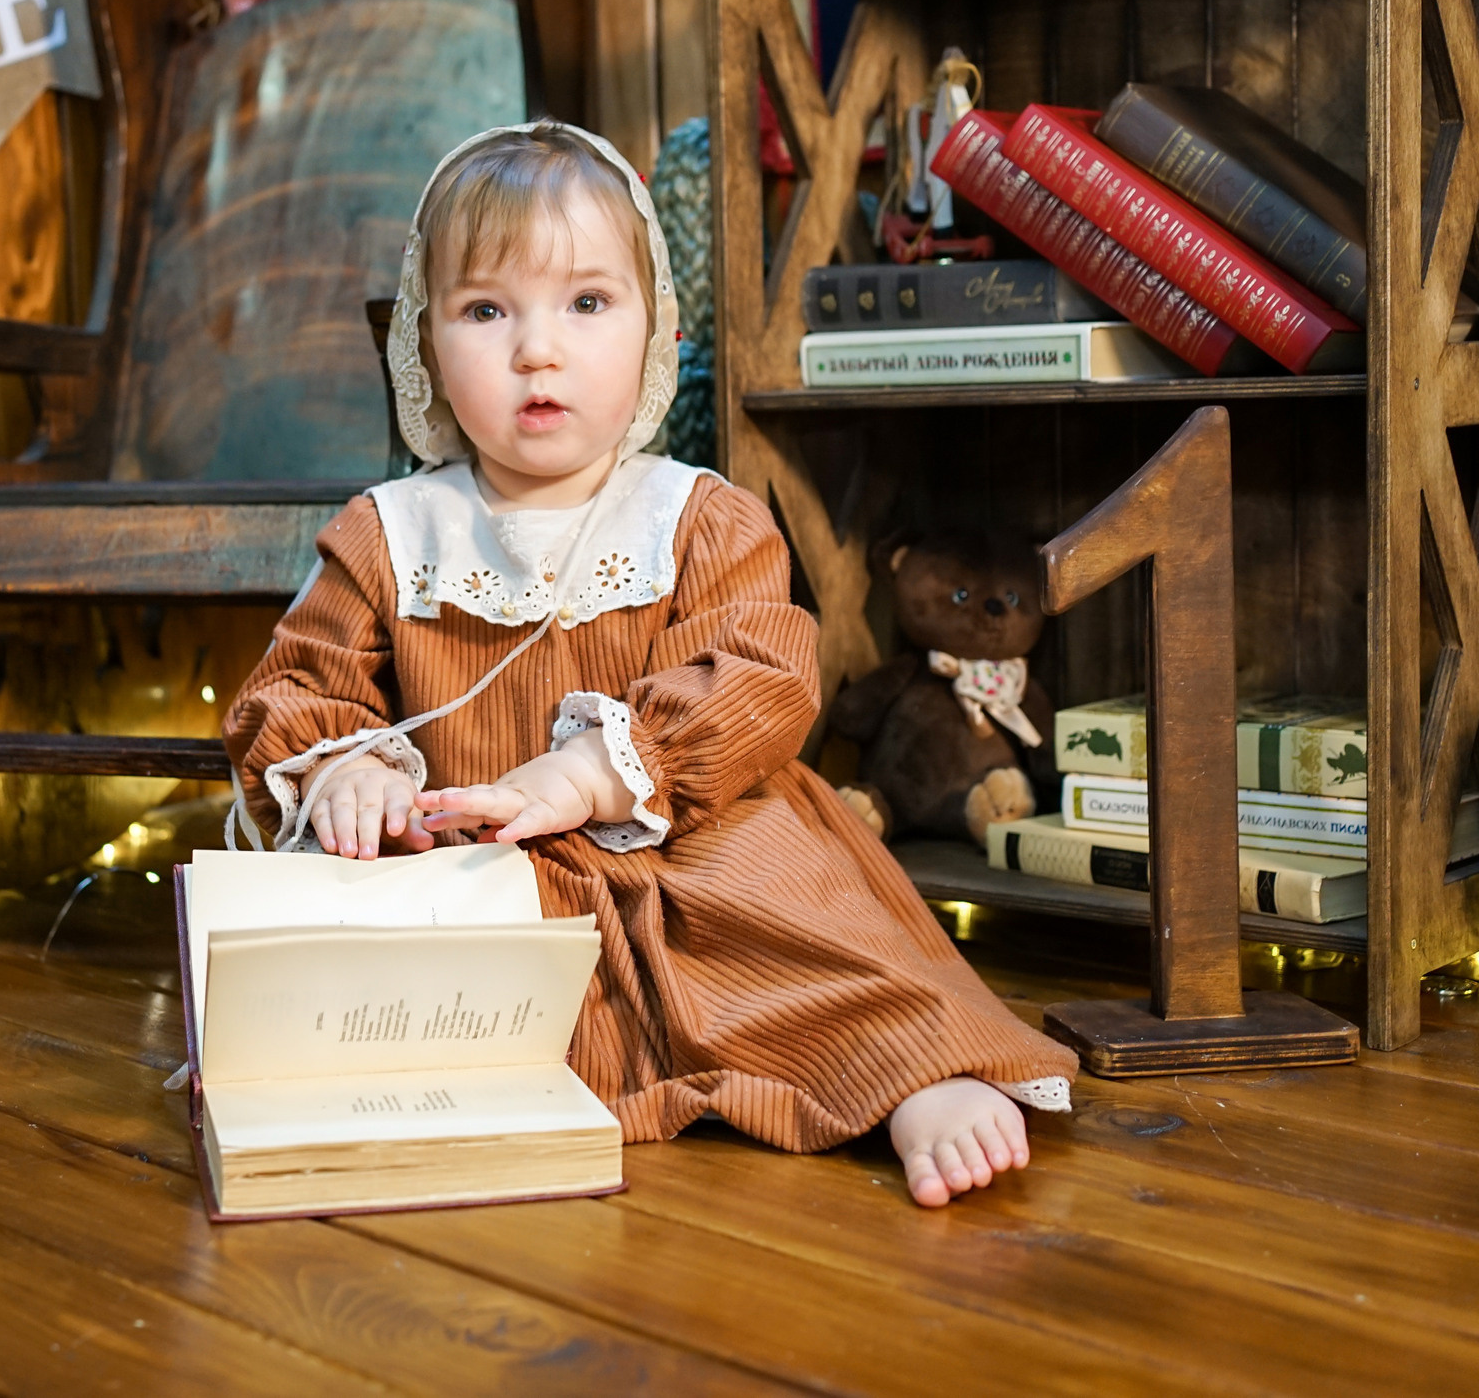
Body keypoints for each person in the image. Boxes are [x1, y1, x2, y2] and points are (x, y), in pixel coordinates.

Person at [222, 121, 1077, 1207]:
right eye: (486, 311)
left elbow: (762, 674)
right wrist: (352, 771)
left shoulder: (694, 517)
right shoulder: (390, 532)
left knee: (797, 905)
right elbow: (298, 685)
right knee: (389, 971)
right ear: (427, 348)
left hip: (681, 840)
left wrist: (588, 772)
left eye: (586, 304)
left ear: (654, 333)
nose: (538, 350)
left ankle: (905, 1071)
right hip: (485, 861)